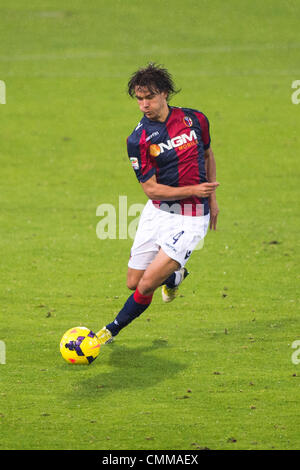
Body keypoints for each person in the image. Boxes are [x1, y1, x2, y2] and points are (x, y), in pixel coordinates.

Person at [97, 63, 219, 344]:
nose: (143, 105)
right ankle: (175, 276)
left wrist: (211, 198)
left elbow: (208, 155)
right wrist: (194, 188)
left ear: (165, 93)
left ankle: (107, 333)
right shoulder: (138, 139)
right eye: (139, 99)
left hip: (191, 218)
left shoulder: (196, 120)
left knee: (147, 284)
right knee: (133, 282)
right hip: (157, 213)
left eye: (149, 97)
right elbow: (151, 190)